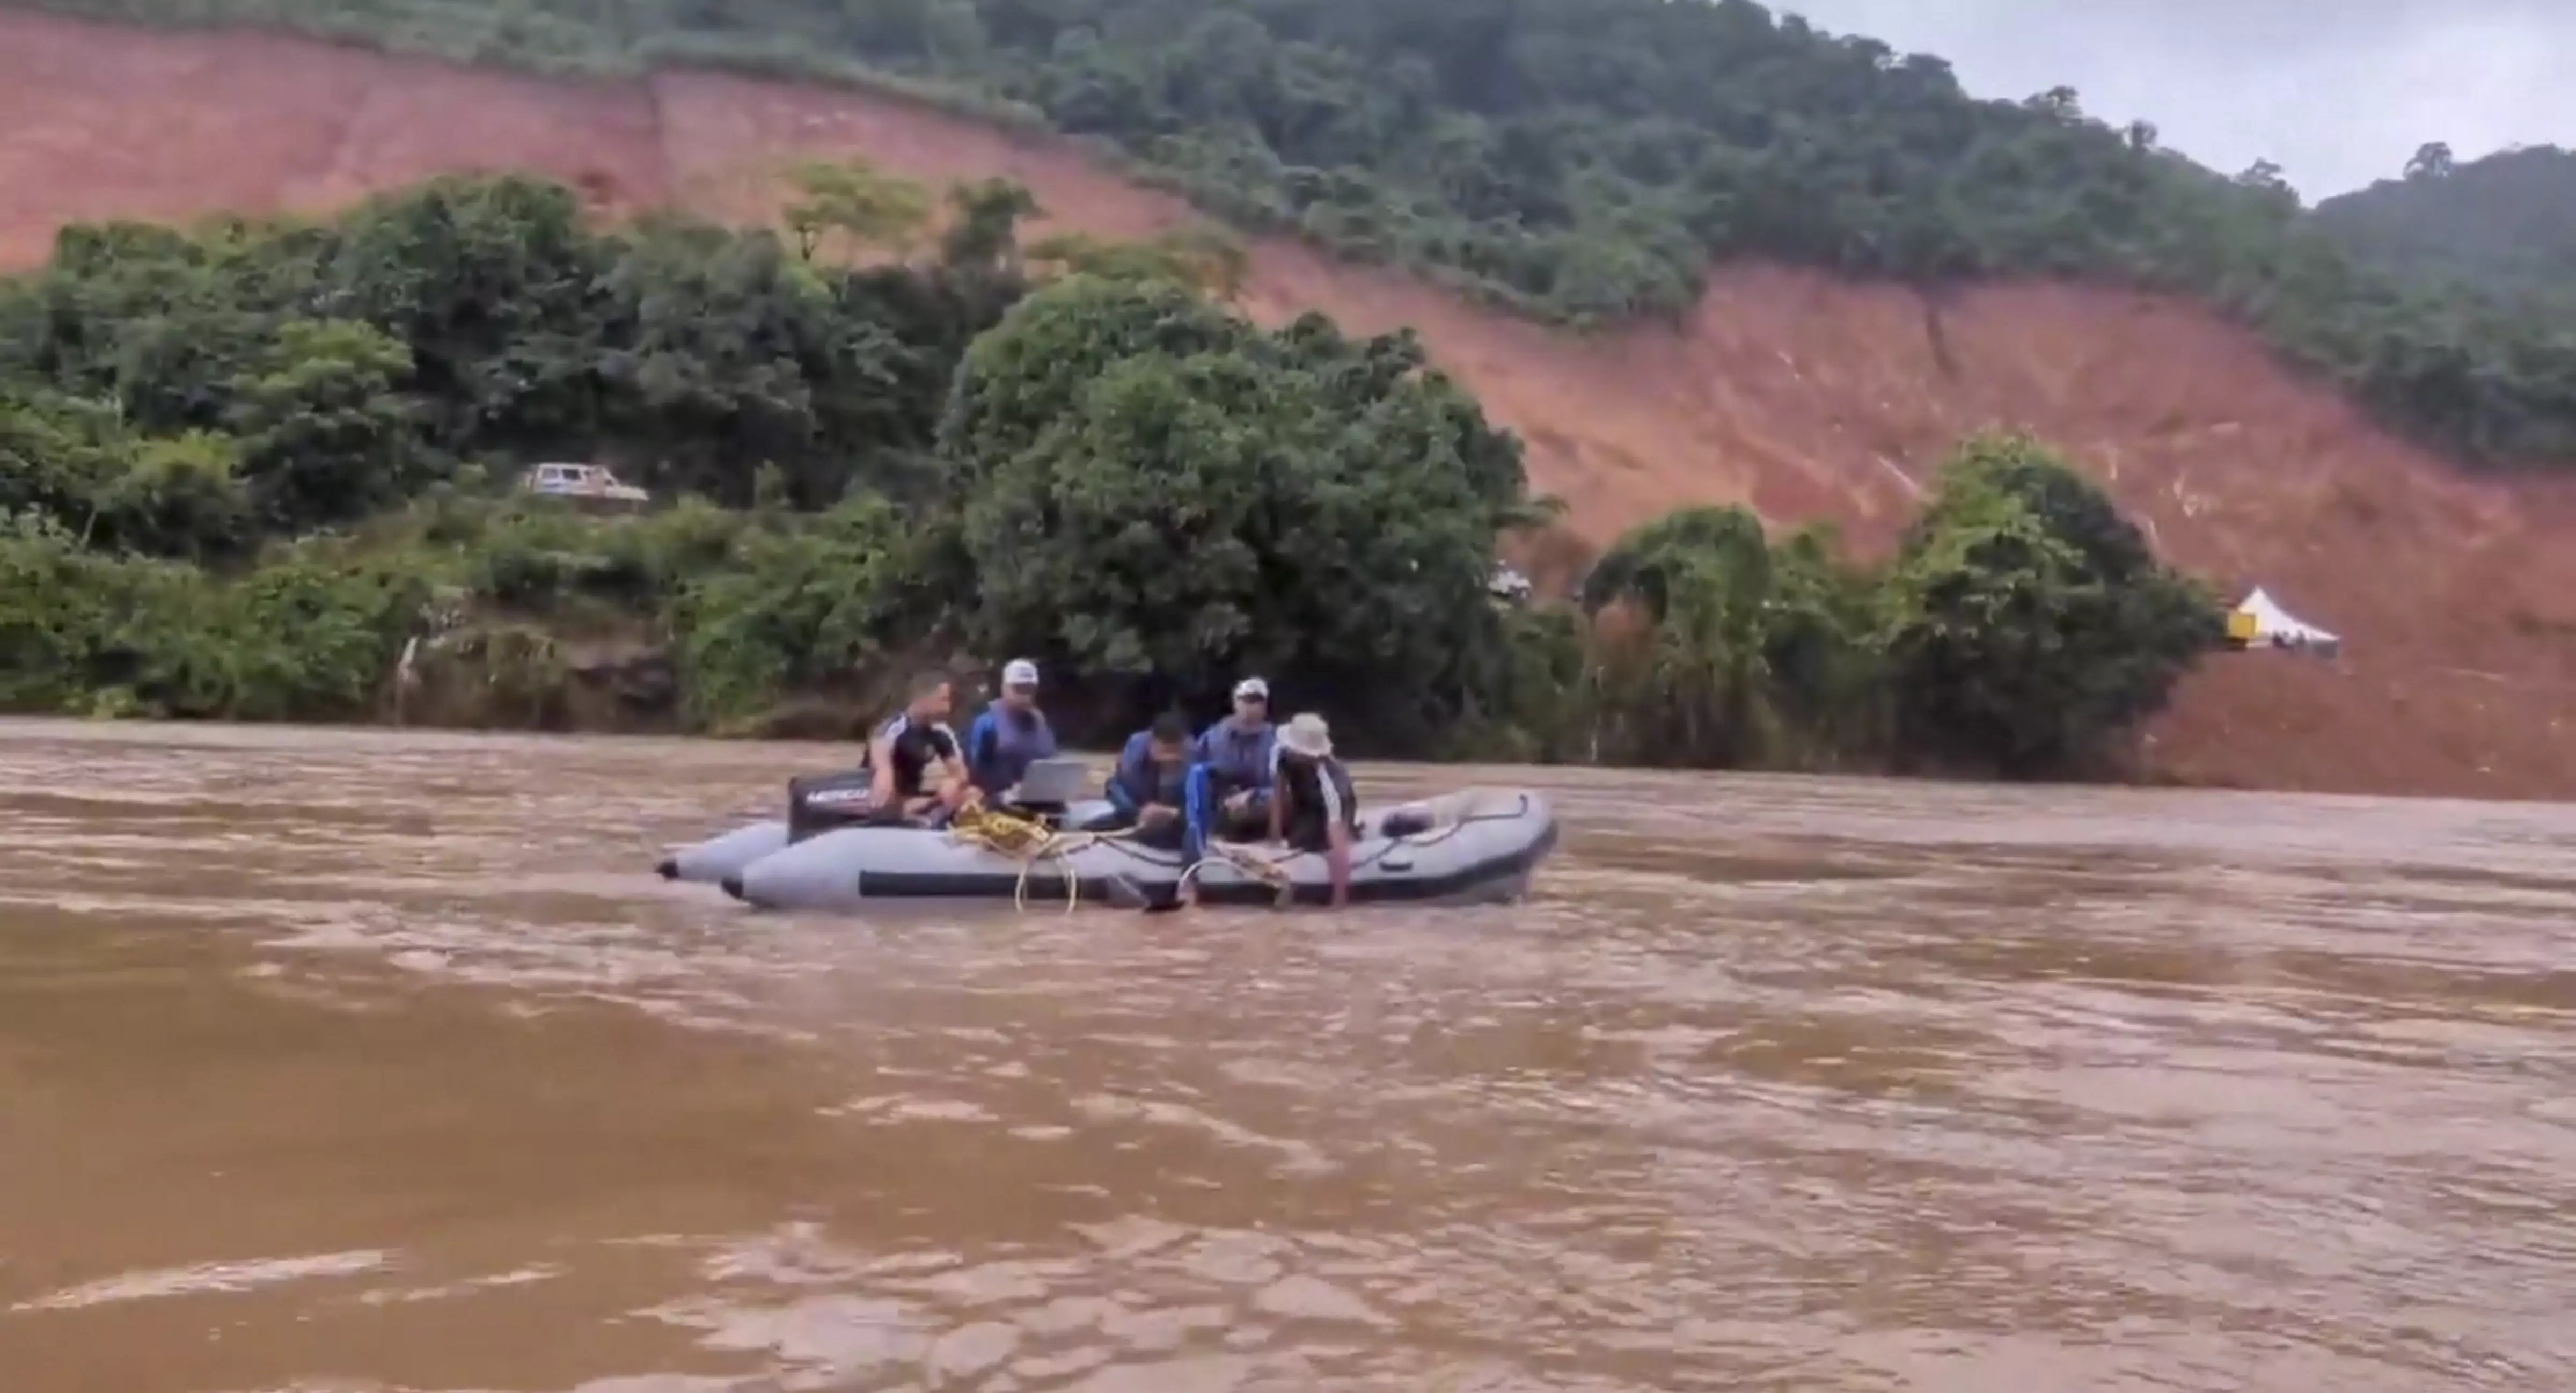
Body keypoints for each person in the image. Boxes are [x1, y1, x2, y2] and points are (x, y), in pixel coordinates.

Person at [1269, 712, 1358, 907]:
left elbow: (1337, 839)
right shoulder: (1281, 753)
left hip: (1327, 803)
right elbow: (1279, 793)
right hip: (1302, 798)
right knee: (1297, 838)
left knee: (1326, 844)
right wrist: (1275, 837)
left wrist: (1339, 899)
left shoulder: (1331, 780)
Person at [867, 671, 973, 825]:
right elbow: (880, 755)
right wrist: (884, 773)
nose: (948, 708)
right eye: (943, 700)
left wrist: (953, 782)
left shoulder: (940, 731)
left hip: (913, 798)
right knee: (885, 788)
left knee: (970, 794)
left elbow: (961, 774)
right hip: (879, 796)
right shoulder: (894, 727)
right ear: (923, 699)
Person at [1190, 676, 1276, 842]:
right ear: (1235, 703)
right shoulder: (1213, 736)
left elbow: (1281, 786)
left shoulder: (1276, 740)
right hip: (1219, 804)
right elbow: (1195, 771)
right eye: (1246, 700)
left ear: (1265, 707)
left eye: (1257, 701)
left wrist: (1252, 795)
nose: (1251, 706)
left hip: (1258, 804)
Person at [963, 658, 1058, 803]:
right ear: (1004, 688)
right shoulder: (987, 723)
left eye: (1029, 690)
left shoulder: (1041, 722)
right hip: (997, 800)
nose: (1024, 696)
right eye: (1018, 689)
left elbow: (1051, 763)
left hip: (1037, 799)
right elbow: (973, 771)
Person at [1104, 711, 1197, 851]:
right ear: (1152, 743)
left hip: (1176, 824)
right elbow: (1115, 788)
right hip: (1135, 817)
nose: (1170, 758)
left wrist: (1172, 813)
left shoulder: (1196, 755)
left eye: (1176, 752)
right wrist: (1139, 812)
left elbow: (1204, 805)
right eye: (1165, 751)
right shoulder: (1135, 752)